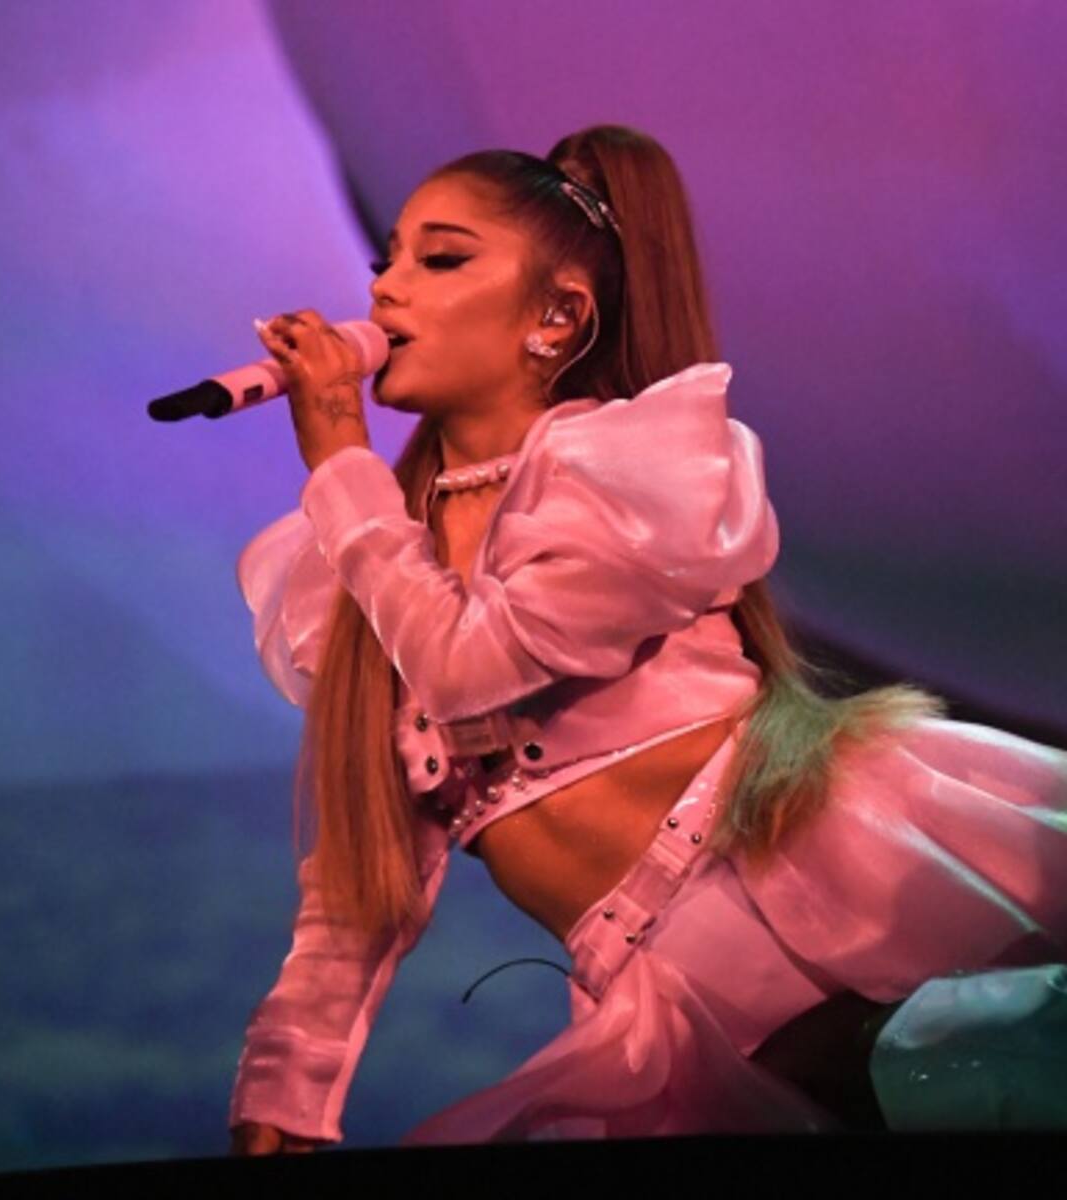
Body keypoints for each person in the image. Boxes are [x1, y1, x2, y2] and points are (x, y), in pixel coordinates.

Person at [226, 125, 1067, 1154]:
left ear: (558, 316)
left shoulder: (623, 472)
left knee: (996, 1062)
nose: (385, 290)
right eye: (385, 260)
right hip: (669, 992)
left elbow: (469, 666)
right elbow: (366, 870)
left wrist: (340, 464)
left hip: (808, 860)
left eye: (439, 259)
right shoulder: (367, 566)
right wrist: (285, 1090)